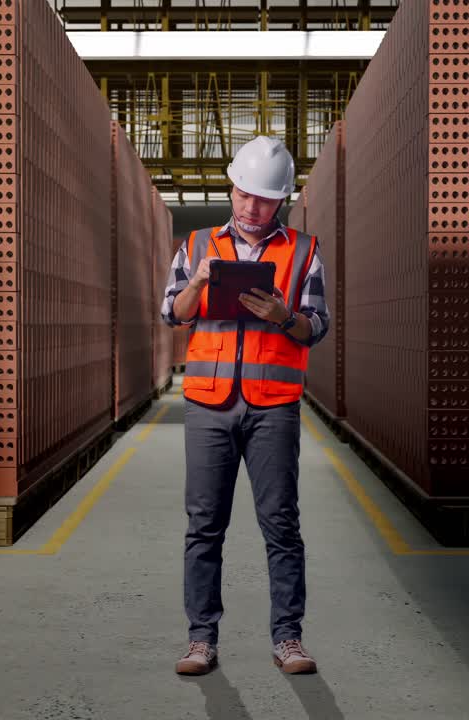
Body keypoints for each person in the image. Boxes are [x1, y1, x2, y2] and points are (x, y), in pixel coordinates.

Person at [160, 136, 331, 675]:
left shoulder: (303, 251)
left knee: (280, 523)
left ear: (281, 199)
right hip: (208, 404)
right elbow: (172, 313)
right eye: (243, 194)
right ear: (232, 188)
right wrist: (199, 281)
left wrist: (283, 316)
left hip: (272, 406)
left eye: (264, 198)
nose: (252, 206)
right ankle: (200, 640)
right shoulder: (197, 245)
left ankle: (289, 639)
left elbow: (316, 326)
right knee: (204, 524)